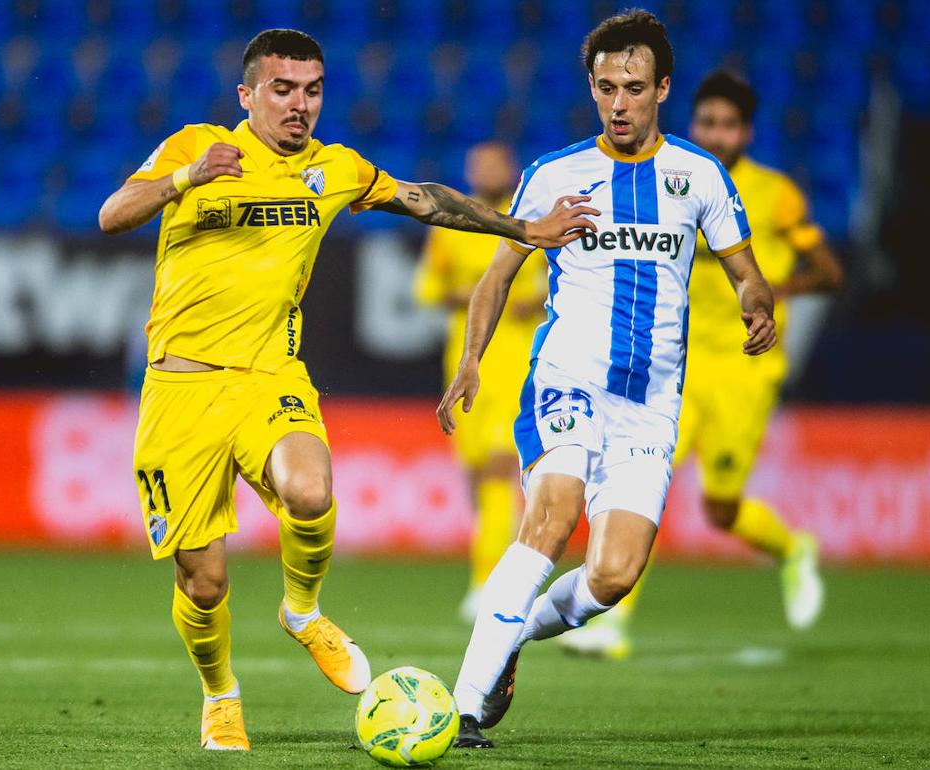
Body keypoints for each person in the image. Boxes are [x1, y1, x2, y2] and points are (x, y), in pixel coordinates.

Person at [98, 28, 595, 752]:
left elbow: (426, 201)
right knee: (203, 584)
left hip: (271, 376)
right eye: (282, 89)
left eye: (313, 90)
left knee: (311, 491)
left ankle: (303, 613)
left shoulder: (336, 168)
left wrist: (526, 227)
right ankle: (220, 693)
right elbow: (113, 214)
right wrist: (187, 179)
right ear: (248, 95)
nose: (300, 105)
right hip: (181, 388)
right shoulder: (196, 146)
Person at [437, 10, 777, 748]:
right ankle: (462, 708)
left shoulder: (698, 176)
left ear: (661, 88)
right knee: (552, 515)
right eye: (605, 87)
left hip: (651, 405)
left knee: (614, 576)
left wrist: (758, 307)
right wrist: (471, 359)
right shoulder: (556, 175)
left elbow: (747, 273)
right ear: (591, 89)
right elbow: (499, 275)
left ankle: (507, 640)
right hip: (567, 381)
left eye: (632, 87)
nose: (618, 103)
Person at [558, 70, 841, 660]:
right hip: (673, 366)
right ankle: (611, 620)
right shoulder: (674, 181)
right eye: (707, 122)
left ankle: (792, 549)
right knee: (642, 486)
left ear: (747, 132)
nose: (716, 134)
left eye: (728, 125)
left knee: (721, 507)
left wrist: (768, 287)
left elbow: (830, 272)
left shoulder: (774, 194)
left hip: (744, 367)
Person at [413, 142, 548, 623]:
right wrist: (480, 295)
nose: (488, 171)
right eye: (480, 165)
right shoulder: (452, 223)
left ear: (510, 169)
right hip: (466, 363)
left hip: (518, 362)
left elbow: (561, 278)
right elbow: (428, 288)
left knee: (497, 470)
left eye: (496, 164)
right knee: (477, 479)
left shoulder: (531, 217)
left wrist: (538, 300)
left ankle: (487, 583)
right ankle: (498, 566)